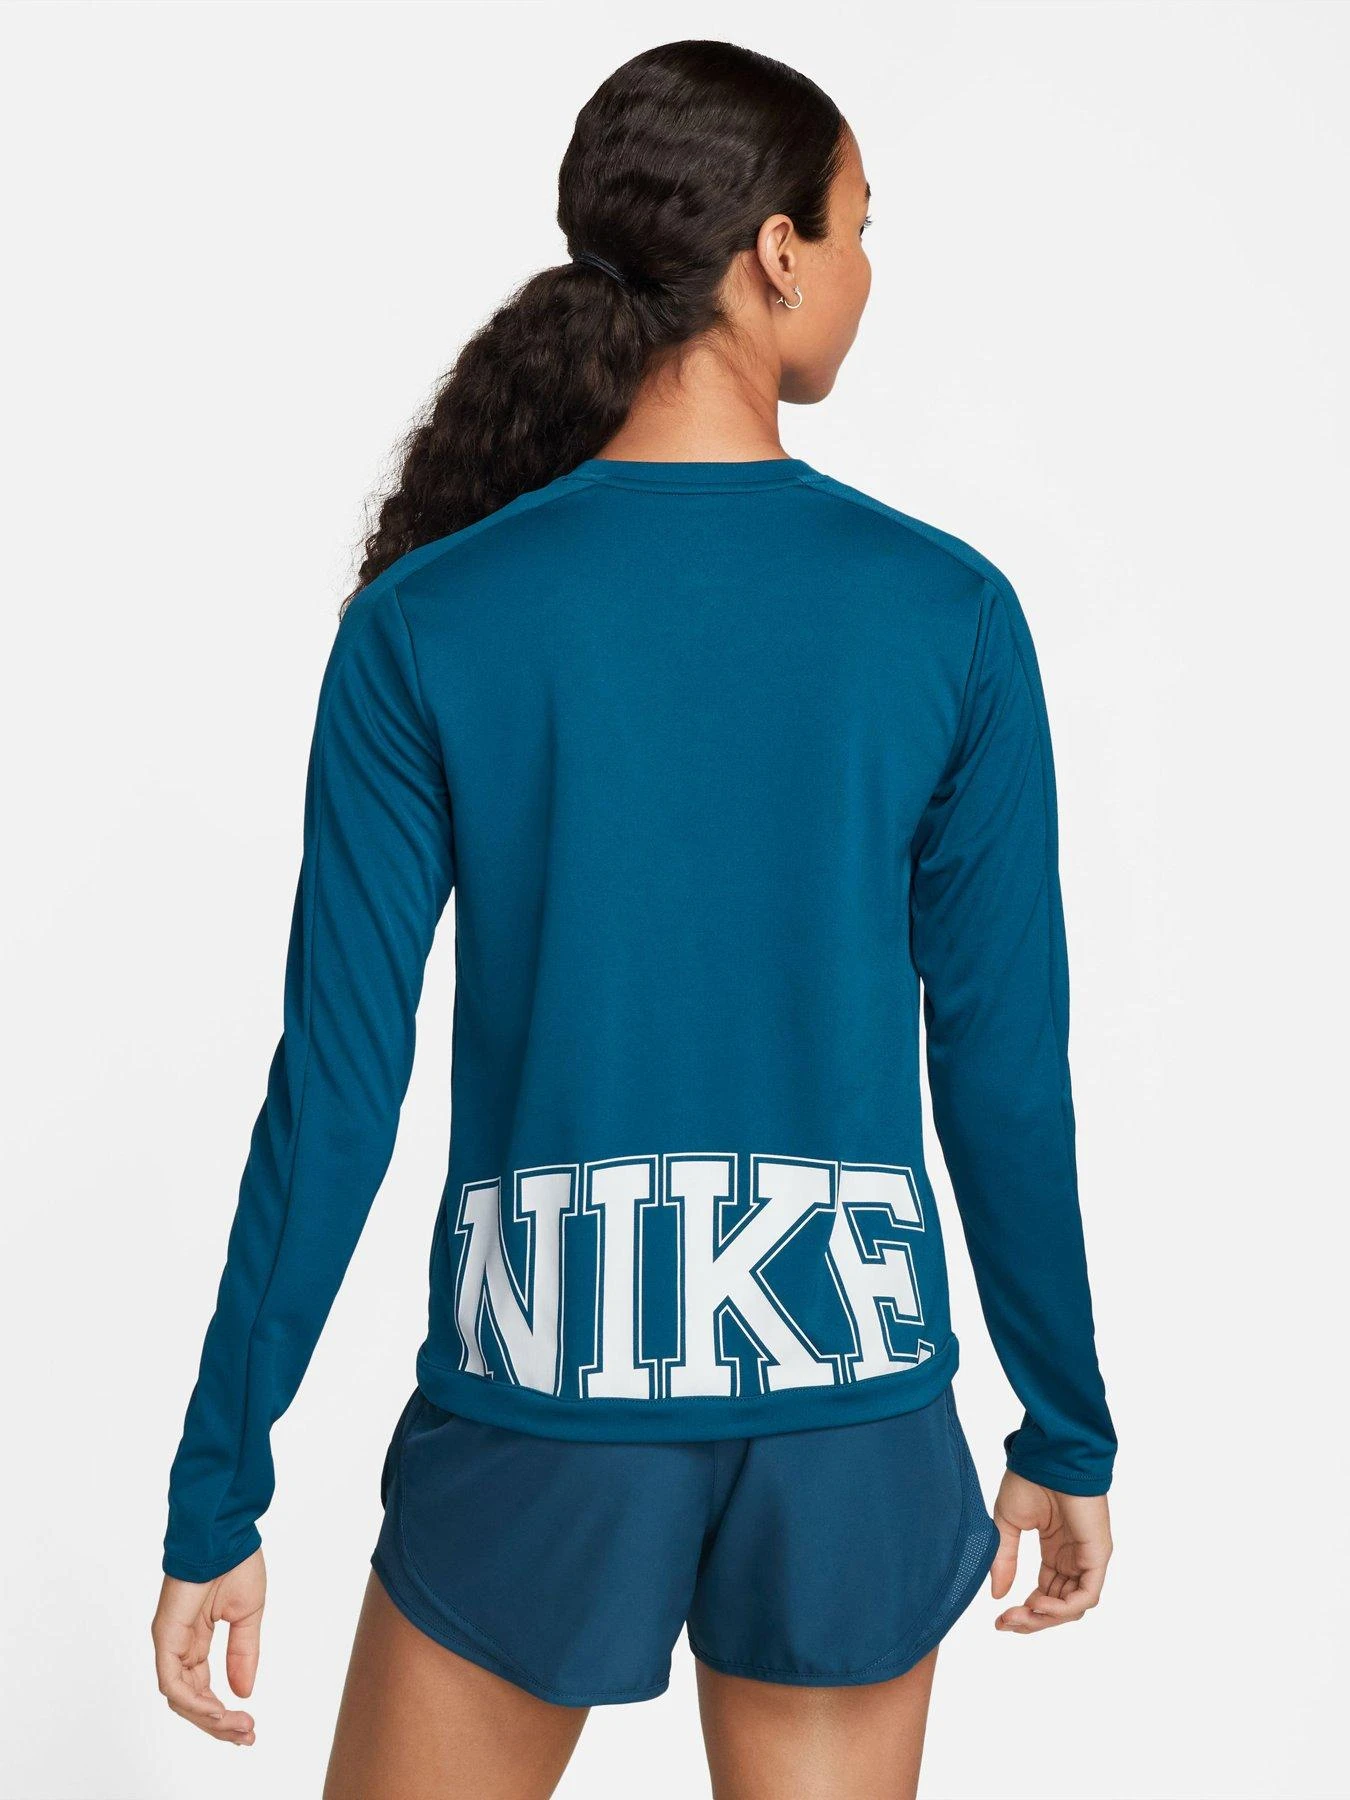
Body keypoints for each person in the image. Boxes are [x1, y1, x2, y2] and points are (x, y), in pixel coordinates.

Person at [151, 39, 1115, 1800]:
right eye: (859, 227)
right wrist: (1062, 1417)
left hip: (544, 1397)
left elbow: (335, 1089)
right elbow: (1002, 1070)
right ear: (774, 254)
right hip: (843, 1398)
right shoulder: (947, 615)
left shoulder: (429, 623)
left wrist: (223, 1476)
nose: (866, 271)